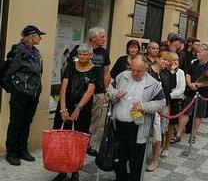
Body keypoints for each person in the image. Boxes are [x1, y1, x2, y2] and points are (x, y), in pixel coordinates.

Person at [108, 55, 166, 181]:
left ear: (146, 68)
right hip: (118, 125)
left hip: (137, 128)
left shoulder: (153, 83)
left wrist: (143, 106)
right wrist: (115, 95)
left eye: (138, 71)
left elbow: (161, 102)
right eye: (133, 69)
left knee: (136, 162)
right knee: (119, 159)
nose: (134, 73)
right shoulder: (122, 76)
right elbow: (110, 89)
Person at [52, 44, 97, 181]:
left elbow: (90, 91)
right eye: (80, 54)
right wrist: (63, 108)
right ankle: (62, 170)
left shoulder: (95, 70)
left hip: (82, 108)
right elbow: (64, 87)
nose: (82, 57)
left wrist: (78, 109)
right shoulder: (71, 66)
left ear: (90, 56)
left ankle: (75, 171)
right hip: (66, 105)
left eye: (85, 54)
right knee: (63, 138)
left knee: (79, 140)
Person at [4, 25, 45, 166]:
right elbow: (7, 73)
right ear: (31, 36)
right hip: (20, 94)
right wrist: (16, 89)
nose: (40, 38)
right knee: (16, 123)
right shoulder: (18, 51)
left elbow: (38, 73)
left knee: (26, 122)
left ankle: (22, 150)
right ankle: (12, 153)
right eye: (38, 35)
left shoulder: (35, 52)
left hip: (33, 94)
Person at [67, 27, 111, 156]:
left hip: (97, 92)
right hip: (79, 92)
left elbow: (106, 72)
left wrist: (106, 90)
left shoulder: (104, 52)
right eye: (102, 37)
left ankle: (86, 144)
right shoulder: (79, 49)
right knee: (78, 119)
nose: (104, 39)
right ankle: (74, 144)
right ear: (93, 38)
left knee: (94, 120)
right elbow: (71, 66)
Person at [171, 44, 208, 144]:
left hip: (202, 94)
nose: (197, 54)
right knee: (185, 113)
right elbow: (188, 74)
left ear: (205, 53)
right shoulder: (193, 62)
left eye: (199, 52)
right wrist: (190, 84)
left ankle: (193, 135)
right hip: (190, 92)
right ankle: (178, 134)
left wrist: (198, 84)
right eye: (197, 52)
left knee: (198, 115)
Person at [146, 51, 175, 172]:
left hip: (162, 108)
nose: (165, 62)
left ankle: (155, 159)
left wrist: (172, 72)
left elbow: (170, 89)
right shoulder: (148, 70)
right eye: (163, 59)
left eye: (168, 60)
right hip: (148, 106)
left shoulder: (166, 73)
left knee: (158, 135)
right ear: (157, 58)